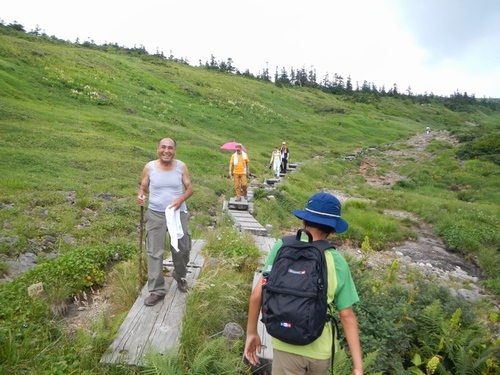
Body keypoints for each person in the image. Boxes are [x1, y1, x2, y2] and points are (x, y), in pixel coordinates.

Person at [244, 192, 363, 375]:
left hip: (285, 346)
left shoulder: (281, 247)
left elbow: (257, 295)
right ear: (332, 230)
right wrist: (357, 367)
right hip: (320, 350)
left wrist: (252, 333)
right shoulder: (337, 261)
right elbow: (347, 316)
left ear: (303, 222)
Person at [137, 138, 193, 306]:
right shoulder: (149, 167)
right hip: (155, 213)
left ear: (174, 150)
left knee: (183, 248)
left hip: (178, 213)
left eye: (170, 148)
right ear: (158, 149)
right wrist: (141, 194)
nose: (166, 151)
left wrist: (181, 199)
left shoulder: (181, 166)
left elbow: (190, 188)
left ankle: (179, 275)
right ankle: (156, 290)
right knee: (154, 251)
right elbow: (143, 186)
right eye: (163, 147)